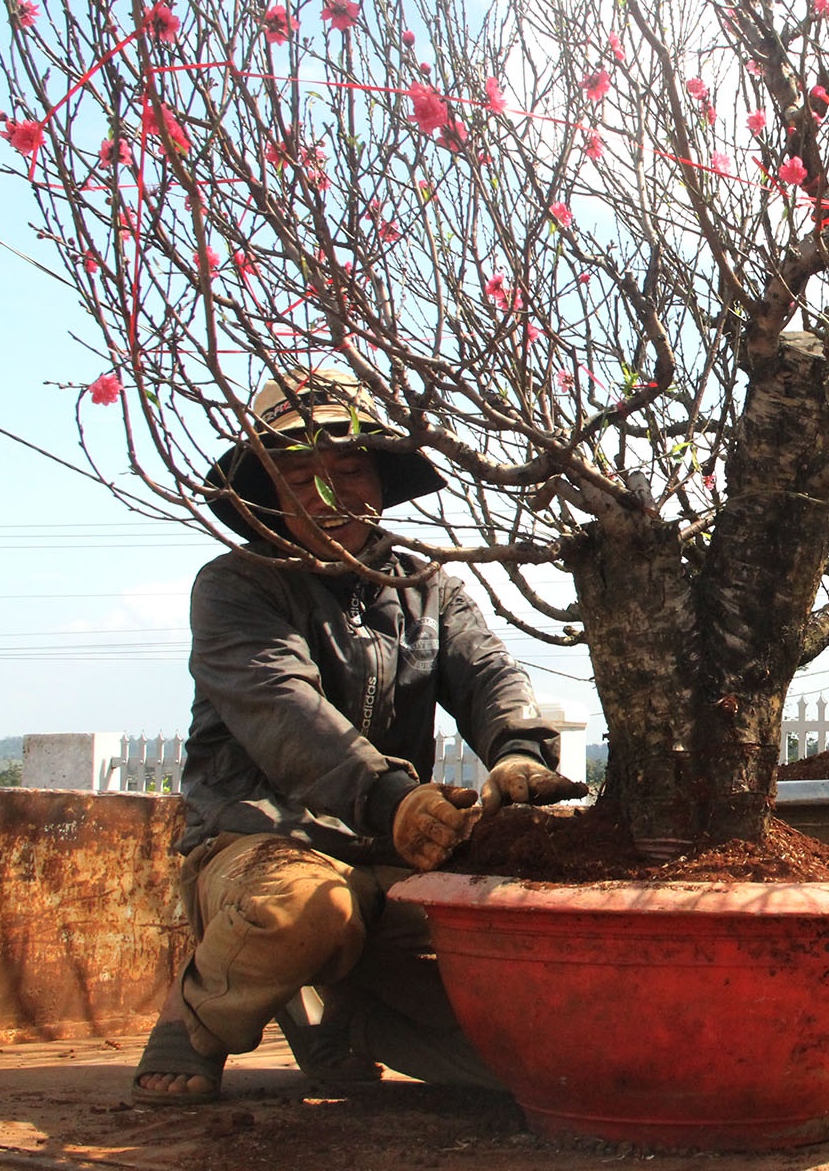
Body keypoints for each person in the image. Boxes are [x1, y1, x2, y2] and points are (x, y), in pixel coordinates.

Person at [132, 367, 587, 1105]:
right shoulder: (235, 586)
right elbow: (283, 710)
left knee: (536, 1049)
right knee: (303, 911)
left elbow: (490, 673)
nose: (329, 492)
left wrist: (518, 755)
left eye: (348, 469)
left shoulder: (430, 585)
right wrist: (394, 799)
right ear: (265, 493)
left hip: (392, 859)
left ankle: (345, 1024)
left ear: (380, 477)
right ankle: (194, 1019)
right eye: (299, 476)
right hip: (261, 842)